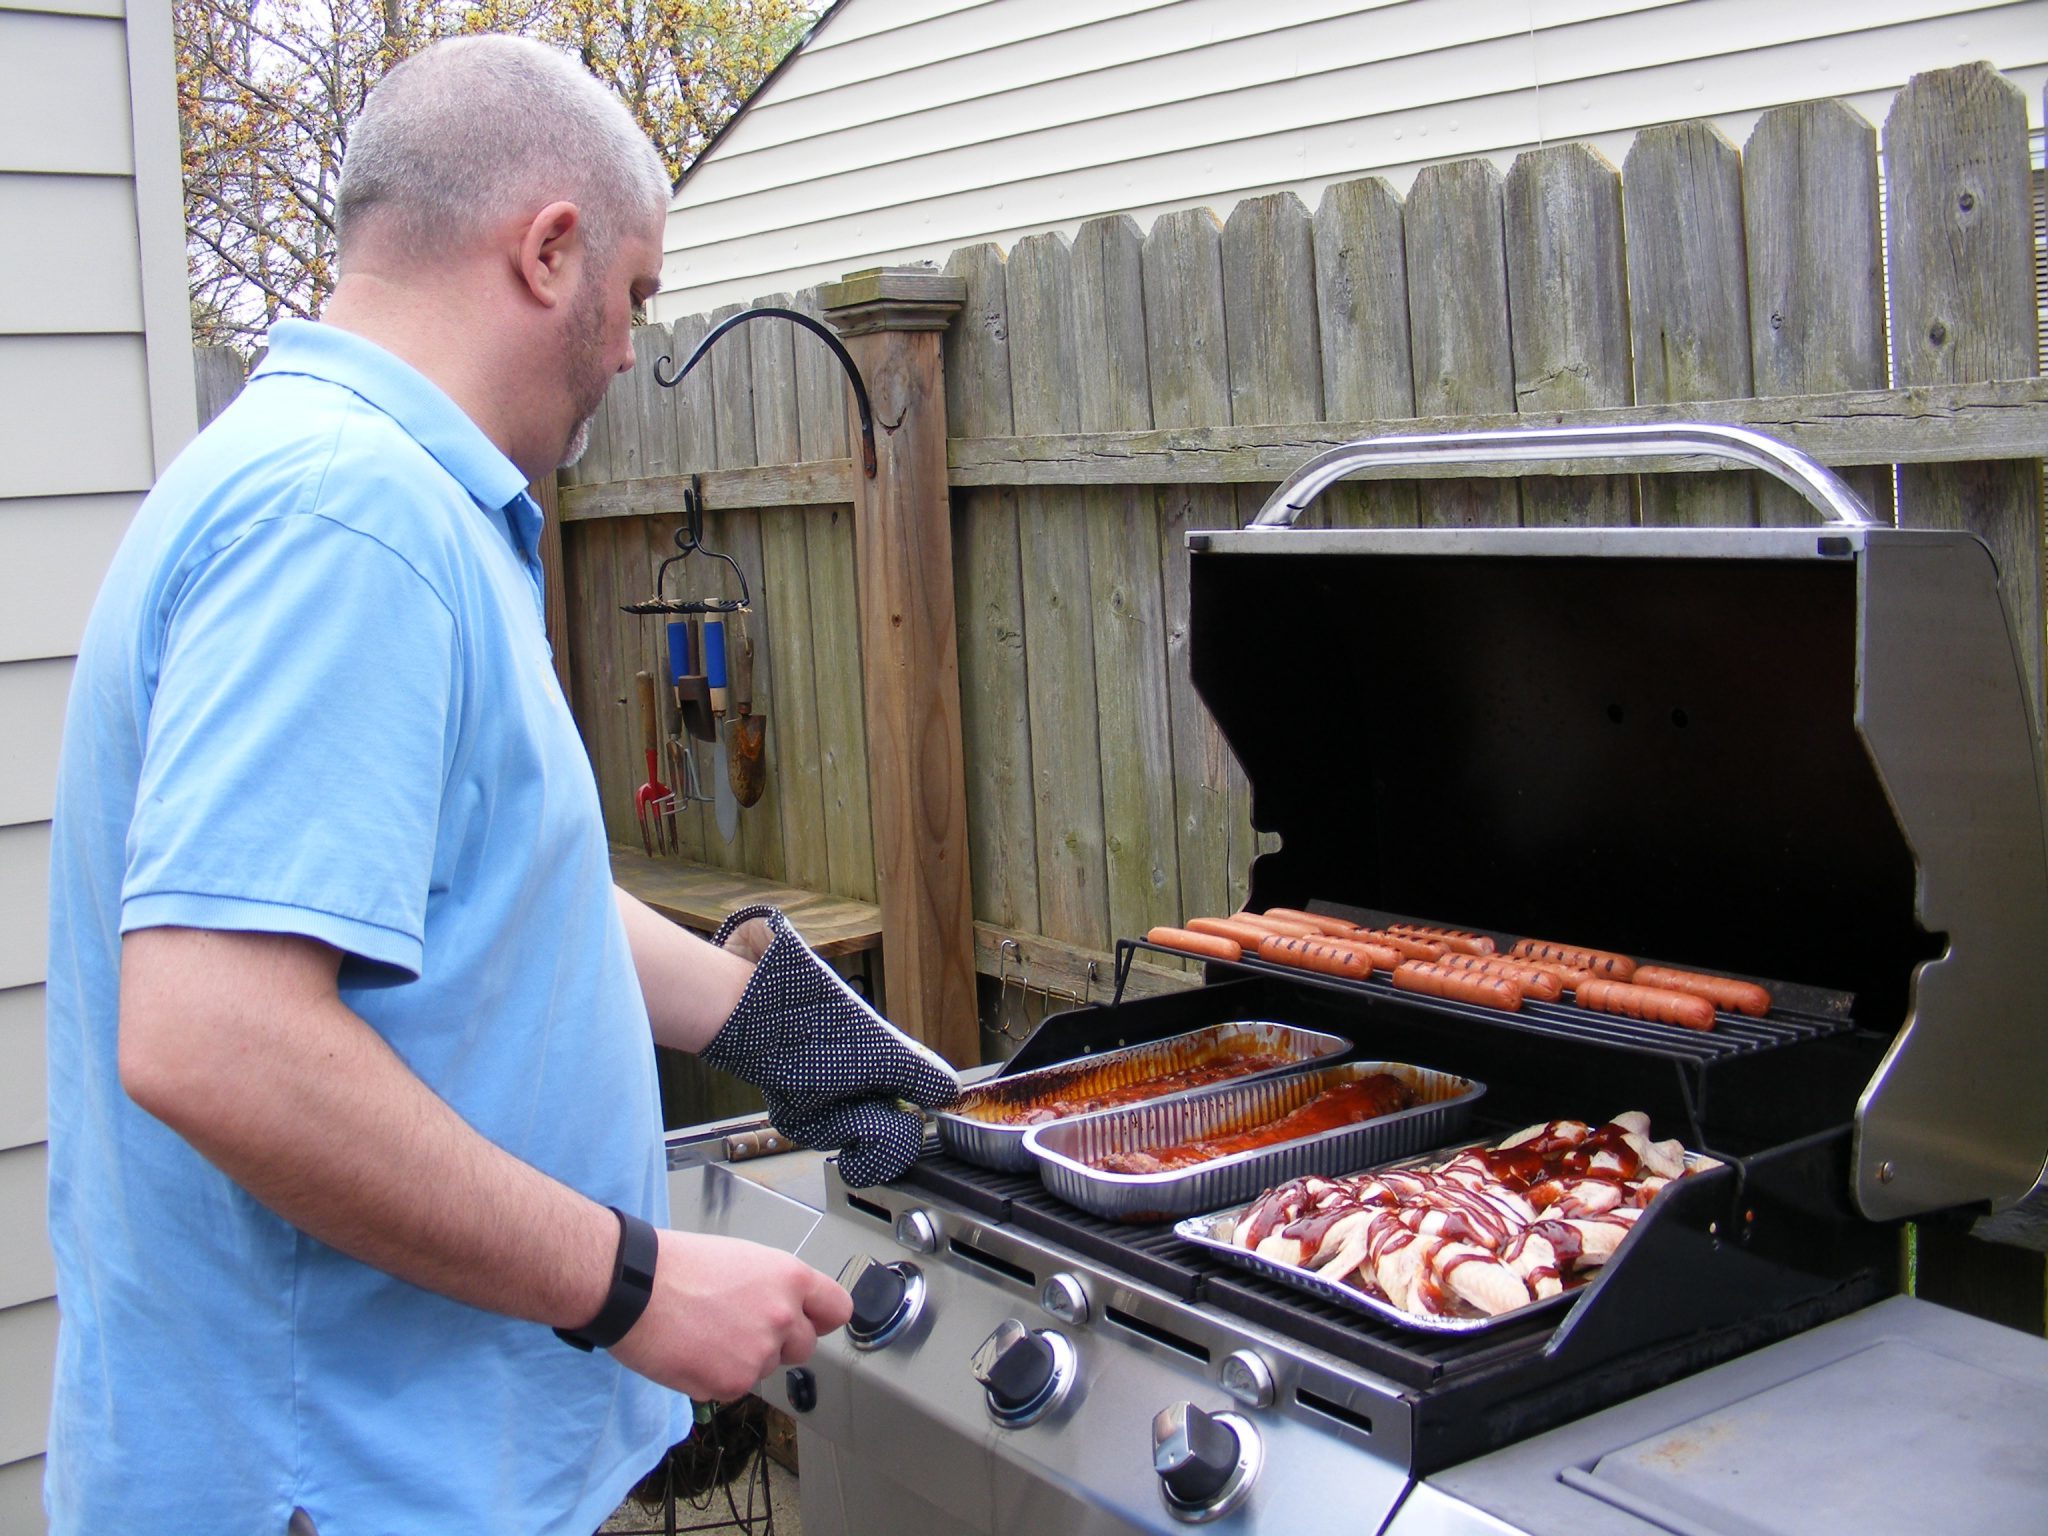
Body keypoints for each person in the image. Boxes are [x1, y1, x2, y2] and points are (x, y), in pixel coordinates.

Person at [43, 34, 957, 1535]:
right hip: (341, 1484)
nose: (624, 351)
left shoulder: (354, 488)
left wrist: (802, 1039)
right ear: (549, 250)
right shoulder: (350, 517)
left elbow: (500, 890)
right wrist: (635, 1284)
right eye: (637, 297)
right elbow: (216, 1038)